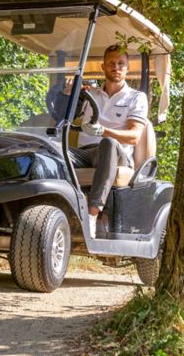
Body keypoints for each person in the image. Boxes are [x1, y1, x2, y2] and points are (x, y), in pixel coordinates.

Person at [60, 44, 148, 238]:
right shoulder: (90, 93)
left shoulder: (136, 98)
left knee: (107, 143)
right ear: (103, 67)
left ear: (127, 68)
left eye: (120, 63)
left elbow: (134, 137)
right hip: (86, 153)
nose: (116, 67)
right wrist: (68, 95)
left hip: (117, 153)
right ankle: (52, 208)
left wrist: (104, 131)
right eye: (111, 63)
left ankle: (92, 214)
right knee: (52, 148)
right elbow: (60, 117)